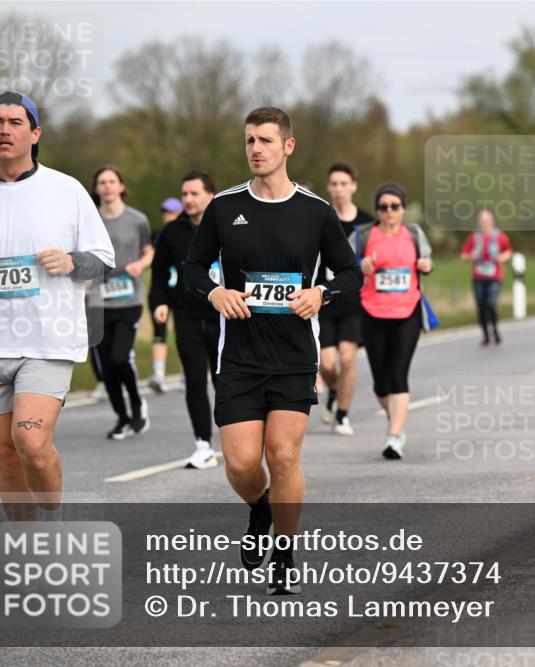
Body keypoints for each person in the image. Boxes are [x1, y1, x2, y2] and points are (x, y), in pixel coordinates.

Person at [182, 106, 361, 594]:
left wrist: (321, 294)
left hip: (292, 357)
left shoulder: (316, 211)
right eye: (249, 141)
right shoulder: (223, 207)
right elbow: (193, 269)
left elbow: (351, 274)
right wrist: (215, 292)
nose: (255, 149)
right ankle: (261, 508)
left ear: (288, 146)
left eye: (264, 140)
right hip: (238, 359)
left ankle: (284, 553)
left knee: (283, 456)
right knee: (241, 464)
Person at [0, 91, 114, 517]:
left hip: (47, 339)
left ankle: (53, 519)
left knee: (31, 445)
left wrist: (70, 261)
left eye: (15, 122)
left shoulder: (67, 190)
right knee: (6, 454)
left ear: (35, 133)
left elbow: (103, 262)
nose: (5, 129)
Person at [350, 183, 433, 460]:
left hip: (407, 313)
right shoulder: (363, 235)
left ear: (402, 209)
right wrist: (362, 267)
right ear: (377, 210)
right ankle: (395, 420)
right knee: (381, 384)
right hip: (372, 313)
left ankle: (394, 436)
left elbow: (427, 261)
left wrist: (426, 266)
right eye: (383, 207)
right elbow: (346, 268)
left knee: (399, 375)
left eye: (394, 206)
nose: (389, 212)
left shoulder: (414, 233)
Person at [150, 171, 221, 469]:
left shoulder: (227, 226)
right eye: (184, 194)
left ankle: (238, 439)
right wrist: (160, 303)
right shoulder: (171, 233)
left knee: (226, 382)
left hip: (226, 316)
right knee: (194, 381)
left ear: (211, 196)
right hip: (187, 315)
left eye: (194, 194)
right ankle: (203, 444)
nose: (188, 200)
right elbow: (158, 275)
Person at [87, 166, 154, 439]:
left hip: (129, 299)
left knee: (119, 357)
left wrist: (140, 264)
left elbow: (149, 251)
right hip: (97, 302)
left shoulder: (138, 219)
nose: (107, 186)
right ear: (96, 189)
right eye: (101, 182)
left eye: (112, 181)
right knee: (106, 365)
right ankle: (122, 417)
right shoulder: (89, 220)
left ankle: (137, 402)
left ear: (121, 186)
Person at [317, 162, 374, 435]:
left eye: (343, 184)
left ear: (353, 186)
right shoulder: (320, 216)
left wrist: (371, 266)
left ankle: (342, 414)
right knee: (327, 363)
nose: (339, 189)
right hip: (323, 298)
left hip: (354, 300)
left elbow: (379, 257)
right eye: (334, 184)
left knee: (347, 358)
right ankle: (336, 390)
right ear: (328, 187)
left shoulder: (366, 223)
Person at [460, 208, 512, 345]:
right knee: (481, 306)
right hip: (478, 276)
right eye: (482, 221)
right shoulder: (474, 237)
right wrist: (472, 256)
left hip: (495, 276)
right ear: (479, 222)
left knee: (491, 304)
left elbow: (508, 251)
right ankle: (485, 335)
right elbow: (463, 255)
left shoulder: (499, 236)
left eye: (487, 220)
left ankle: (495, 330)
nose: (485, 223)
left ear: (492, 221)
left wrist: (502, 258)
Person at [148, 197, 185, 393]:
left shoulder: (188, 233)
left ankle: (185, 375)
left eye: (172, 212)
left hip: (180, 290)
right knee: (159, 332)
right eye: (166, 212)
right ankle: (159, 374)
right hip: (162, 290)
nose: (168, 216)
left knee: (183, 334)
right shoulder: (157, 234)